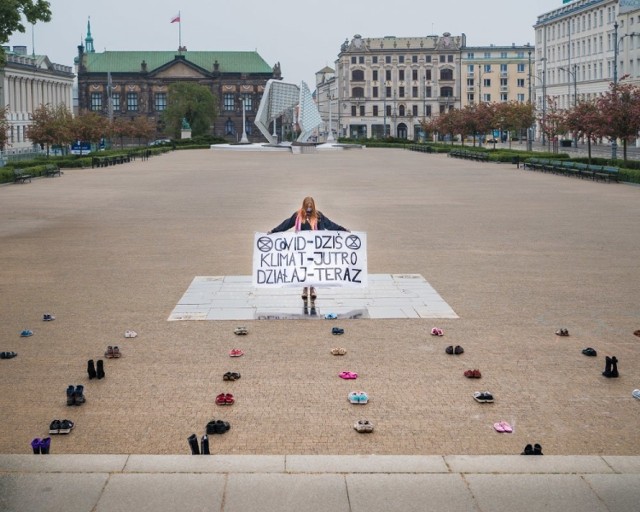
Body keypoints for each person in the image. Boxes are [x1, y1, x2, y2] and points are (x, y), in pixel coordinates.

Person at [268, 196, 348, 301]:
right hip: (302, 249)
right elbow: (286, 224)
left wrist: (342, 230)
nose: (309, 209)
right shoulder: (298, 216)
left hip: (315, 249)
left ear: (313, 206)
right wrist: (273, 231)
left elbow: (330, 225)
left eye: (311, 207)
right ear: (304, 206)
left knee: (313, 268)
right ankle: (305, 288)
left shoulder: (319, 216)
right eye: (307, 207)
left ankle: (312, 288)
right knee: (304, 268)